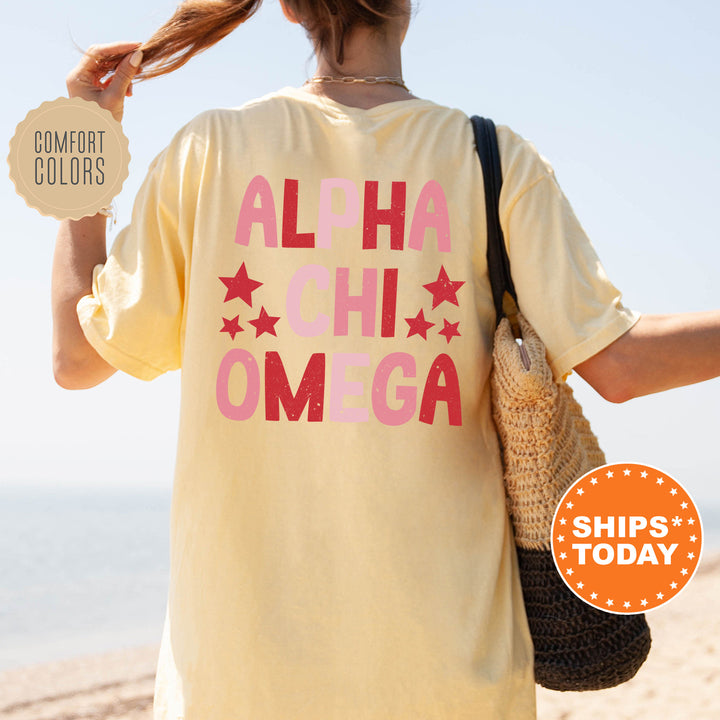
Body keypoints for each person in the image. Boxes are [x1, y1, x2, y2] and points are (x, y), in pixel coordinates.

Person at [53, 1, 720, 719]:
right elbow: (620, 366)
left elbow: (76, 359)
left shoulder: (209, 150)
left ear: (286, 8)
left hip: (237, 679)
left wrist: (85, 143)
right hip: (450, 673)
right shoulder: (491, 159)